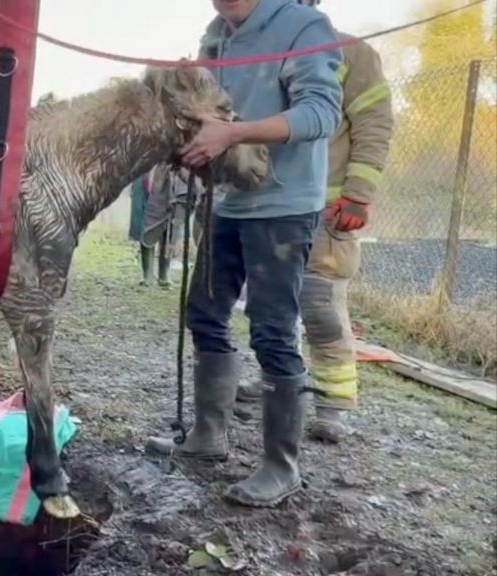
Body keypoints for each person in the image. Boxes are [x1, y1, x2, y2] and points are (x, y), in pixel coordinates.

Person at [147, 0, 343, 508]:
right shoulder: (217, 35)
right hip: (228, 200)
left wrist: (232, 133)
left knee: (272, 330)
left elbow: (322, 112)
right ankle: (209, 437)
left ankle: (282, 467)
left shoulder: (304, 26)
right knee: (206, 314)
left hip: (283, 205)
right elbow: (214, 113)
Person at [236, 0, 394, 446]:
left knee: (319, 306)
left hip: (325, 210)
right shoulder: (260, 51)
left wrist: (358, 194)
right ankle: (280, 379)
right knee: (271, 305)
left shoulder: (352, 53)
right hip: (270, 205)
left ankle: (332, 403)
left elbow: (375, 125)